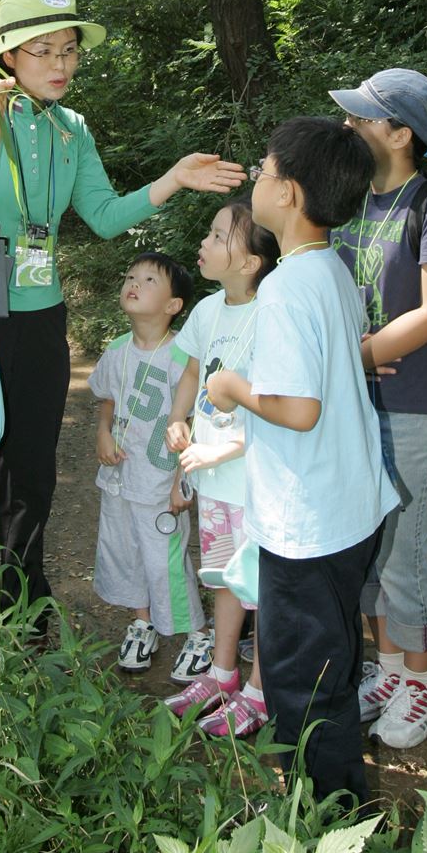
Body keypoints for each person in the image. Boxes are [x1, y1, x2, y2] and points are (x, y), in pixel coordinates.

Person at [0, 0, 245, 626]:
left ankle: (24, 601)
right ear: (8, 56)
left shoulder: (72, 129)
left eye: (69, 50)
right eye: (43, 51)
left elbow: (99, 216)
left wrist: (173, 179)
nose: (61, 65)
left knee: (31, 469)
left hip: (39, 309)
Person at [206, 117, 398, 805]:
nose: (256, 179)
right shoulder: (330, 271)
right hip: (348, 507)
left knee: (299, 678)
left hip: (307, 523)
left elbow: (298, 408)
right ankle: (335, 793)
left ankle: (327, 815)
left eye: (262, 170)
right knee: (332, 659)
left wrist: (230, 387)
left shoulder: (287, 289)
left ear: (286, 193)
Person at [329, 68, 427, 750]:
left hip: (413, 406)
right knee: (371, 544)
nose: (350, 128)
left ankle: (423, 684)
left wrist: (358, 355)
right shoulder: (354, 203)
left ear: (401, 134)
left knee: (407, 551)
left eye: (363, 118)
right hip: (358, 405)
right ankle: (387, 671)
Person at [164, 196, 278, 737]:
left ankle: (259, 690)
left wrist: (219, 450)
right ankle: (222, 673)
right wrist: (179, 418)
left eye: (216, 237)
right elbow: (191, 372)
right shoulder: (208, 310)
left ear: (251, 261)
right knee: (224, 580)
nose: (203, 244)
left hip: (255, 483)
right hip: (214, 482)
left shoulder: (273, 314)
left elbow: (279, 409)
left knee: (263, 588)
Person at [91, 251, 205, 674]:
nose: (134, 282)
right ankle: (143, 623)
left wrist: (183, 480)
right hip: (120, 478)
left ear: (174, 306)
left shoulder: (181, 359)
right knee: (125, 551)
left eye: (149, 280)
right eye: (130, 275)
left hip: (160, 481)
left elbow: (195, 422)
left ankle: (198, 634)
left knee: (165, 558)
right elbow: (106, 400)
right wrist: (103, 432)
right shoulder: (117, 350)